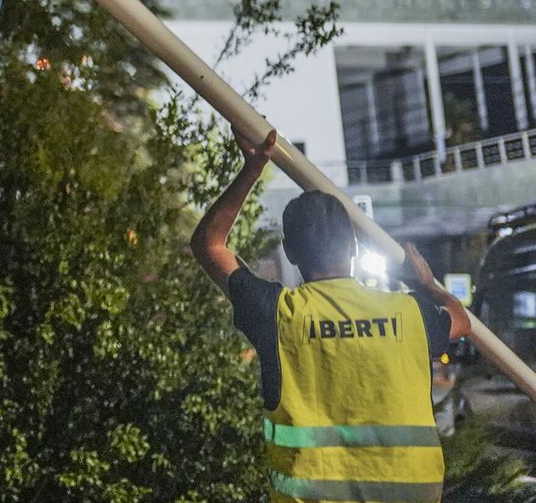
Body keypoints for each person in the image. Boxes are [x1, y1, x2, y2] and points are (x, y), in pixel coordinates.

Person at [191, 126, 472, 503]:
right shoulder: (409, 312)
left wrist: (253, 168)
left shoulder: (279, 315)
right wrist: (428, 284)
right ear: (354, 246)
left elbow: (209, 243)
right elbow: (461, 319)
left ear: (290, 252)